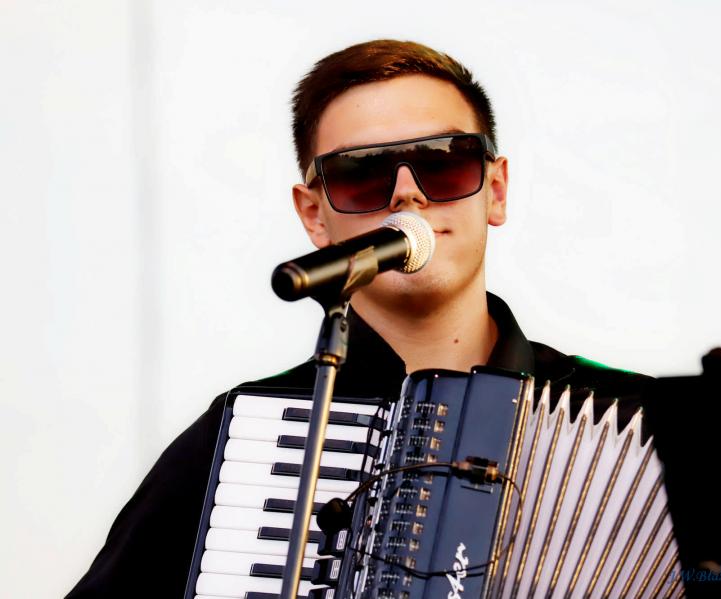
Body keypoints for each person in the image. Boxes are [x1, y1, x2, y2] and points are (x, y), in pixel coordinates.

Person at [66, 39, 647, 597]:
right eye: (362, 173)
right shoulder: (242, 443)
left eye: (443, 162)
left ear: (495, 190)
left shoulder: (639, 422)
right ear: (314, 216)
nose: (406, 194)